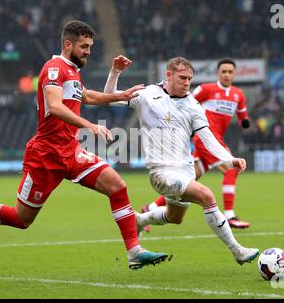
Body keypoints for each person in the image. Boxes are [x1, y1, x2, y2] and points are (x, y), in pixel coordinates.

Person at [0, 20, 170, 270]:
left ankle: (134, 252)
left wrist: (119, 95)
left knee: (117, 186)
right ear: (68, 44)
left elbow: (85, 95)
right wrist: (90, 125)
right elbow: (54, 106)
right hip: (45, 155)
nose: (88, 51)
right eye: (84, 46)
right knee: (21, 219)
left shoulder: (73, 71)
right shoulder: (54, 68)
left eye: (90, 46)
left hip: (71, 151)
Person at [104, 56, 259, 265]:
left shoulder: (193, 105)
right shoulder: (148, 95)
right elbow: (108, 96)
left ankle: (139, 220)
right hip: (161, 172)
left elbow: (207, 138)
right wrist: (115, 72)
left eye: (190, 79)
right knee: (206, 195)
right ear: (168, 75)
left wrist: (230, 160)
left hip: (185, 171)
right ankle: (237, 250)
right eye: (182, 77)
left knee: (174, 217)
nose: (187, 83)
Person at [142, 58, 252, 229]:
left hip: (216, 140)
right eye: (224, 71)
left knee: (186, 179)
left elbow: (243, 114)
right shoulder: (207, 89)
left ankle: (150, 207)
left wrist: (245, 121)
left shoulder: (238, 94)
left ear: (234, 74)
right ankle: (229, 215)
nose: (227, 75)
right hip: (206, 139)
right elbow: (186, 102)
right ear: (218, 73)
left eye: (230, 72)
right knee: (232, 169)